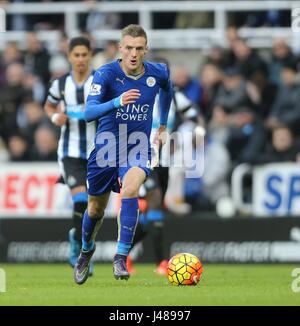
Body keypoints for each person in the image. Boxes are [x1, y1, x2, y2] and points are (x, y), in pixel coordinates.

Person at [73, 24, 173, 285]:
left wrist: (162, 125)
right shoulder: (106, 74)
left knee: (131, 190)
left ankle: (121, 256)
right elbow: (88, 113)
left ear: (145, 49)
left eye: (139, 48)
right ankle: (86, 250)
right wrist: (117, 102)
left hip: (138, 146)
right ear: (120, 48)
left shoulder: (157, 72)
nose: (133, 53)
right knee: (95, 209)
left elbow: (167, 88)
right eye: (128, 47)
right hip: (106, 148)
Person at [44, 37, 97, 271]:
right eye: (76, 55)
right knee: (80, 200)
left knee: (94, 208)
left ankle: (80, 239)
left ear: (90, 55)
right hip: (70, 151)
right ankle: (81, 248)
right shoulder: (60, 84)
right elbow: (49, 105)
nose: (80, 59)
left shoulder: (100, 82)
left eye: (84, 54)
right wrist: (55, 117)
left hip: (98, 152)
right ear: (69, 57)